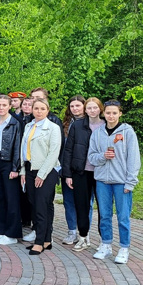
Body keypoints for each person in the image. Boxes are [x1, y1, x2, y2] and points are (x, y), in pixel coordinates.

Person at [89, 100, 141, 264]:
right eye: (108, 113)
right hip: (103, 181)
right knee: (104, 215)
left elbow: (134, 158)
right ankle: (106, 244)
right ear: (103, 113)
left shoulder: (127, 132)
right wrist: (103, 156)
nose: (111, 116)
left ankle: (124, 247)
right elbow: (91, 157)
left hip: (121, 182)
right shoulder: (97, 133)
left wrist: (130, 182)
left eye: (114, 113)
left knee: (123, 216)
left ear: (120, 114)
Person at [20, 98, 61, 256]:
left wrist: (42, 174)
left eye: (42, 108)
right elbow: (23, 150)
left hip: (46, 170)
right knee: (34, 203)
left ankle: (39, 242)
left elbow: (53, 153)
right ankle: (46, 239)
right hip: (30, 168)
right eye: (36, 108)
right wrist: (23, 171)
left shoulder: (53, 128)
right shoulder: (29, 126)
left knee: (41, 206)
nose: (38, 111)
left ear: (47, 110)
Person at [62, 97, 104, 251]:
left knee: (103, 208)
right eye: (89, 108)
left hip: (101, 173)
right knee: (82, 206)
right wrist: (68, 174)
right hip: (81, 172)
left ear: (100, 109)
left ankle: (104, 239)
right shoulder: (77, 125)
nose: (92, 111)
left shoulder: (106, 125)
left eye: (95, 108)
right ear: (85, 110)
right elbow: (68, 150)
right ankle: (83, 237)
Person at [0, 95, 23, 246]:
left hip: (8, 162)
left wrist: (15, 168)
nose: (1, 108)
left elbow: (18, 146)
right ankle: (0, 230)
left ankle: (12, 233)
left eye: (4, 105)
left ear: (10, 106)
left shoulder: (15, 123)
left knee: (11, 198)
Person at [60, 95, 86, 245]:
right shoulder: (65, 124)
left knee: (84, 202)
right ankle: (72, 231)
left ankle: (84, 232)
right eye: (72, 106)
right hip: (67, 167)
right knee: (68, 201)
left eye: (78, 105)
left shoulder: (91, 123)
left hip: (84, 169)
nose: (75, 108)